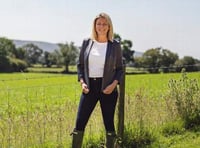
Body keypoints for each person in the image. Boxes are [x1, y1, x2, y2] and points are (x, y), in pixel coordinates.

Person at [71, 12, 124, 148]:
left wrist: (114, 84)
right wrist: (82, 83)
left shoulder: (115, 45)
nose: (101, 26)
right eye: (99, 23)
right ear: (94, 26)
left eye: (104, 24)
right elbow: (80, 66)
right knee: (79, 123)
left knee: (108, 123)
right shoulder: (87, 43)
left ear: (109, 26)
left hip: (107, 88)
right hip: (89, 88)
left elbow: (119, 69)